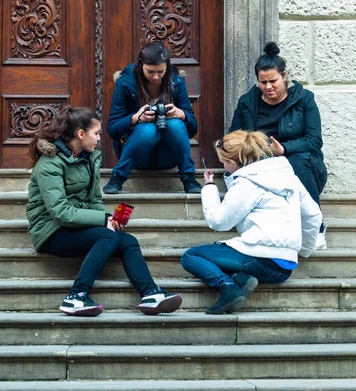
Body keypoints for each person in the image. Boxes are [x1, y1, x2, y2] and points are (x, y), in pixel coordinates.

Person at [26, 106, 183, 317]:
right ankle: (76, 296)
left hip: (75, 225)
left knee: (127, 241)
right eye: (97, 133)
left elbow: (94, 199)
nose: (100, 138)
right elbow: (60, 212)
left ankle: (150, 294)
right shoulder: (50, 164)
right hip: (50, 231)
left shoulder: (87, 158)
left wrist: (110, 217)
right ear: (81, 134)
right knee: (108, 237)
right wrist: (103, 220)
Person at [181, 130, 322, 315]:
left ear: (233, 162)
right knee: (227, 256)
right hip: (283, 269)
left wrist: (208, 188)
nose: (223, 166)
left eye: (223, 162)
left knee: (191, 256)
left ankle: (227, 287)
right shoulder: (289, 177)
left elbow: (219, 222)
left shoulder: (247, 183)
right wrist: (304, 250)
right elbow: (313, 215)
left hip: (259, 258)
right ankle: (241, 279)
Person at [229, 41, 328, 247]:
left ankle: (316, 226)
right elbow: (234, 136)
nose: (268, 87)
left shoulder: (304, 99)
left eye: (273, 81)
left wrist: (284, 150)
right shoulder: (247, 102)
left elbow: (314, 139)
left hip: (296, 161)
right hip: (259, 163)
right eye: (263, 82)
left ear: (284, 76)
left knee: (298, 161)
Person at [103, 41, 201, 194]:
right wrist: (135, 119)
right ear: (140, 65)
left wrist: (181, 115)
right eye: (150, 72)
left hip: (167, 156)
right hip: (137, 155)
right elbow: (112, 129)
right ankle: (117, 177)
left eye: (161, 72)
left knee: (175, 124)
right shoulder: (126, 83)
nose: (156, 77)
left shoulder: (176, 81)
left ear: (167, 67)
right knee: (148, 129)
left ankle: (189, 177)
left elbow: (192, 129)